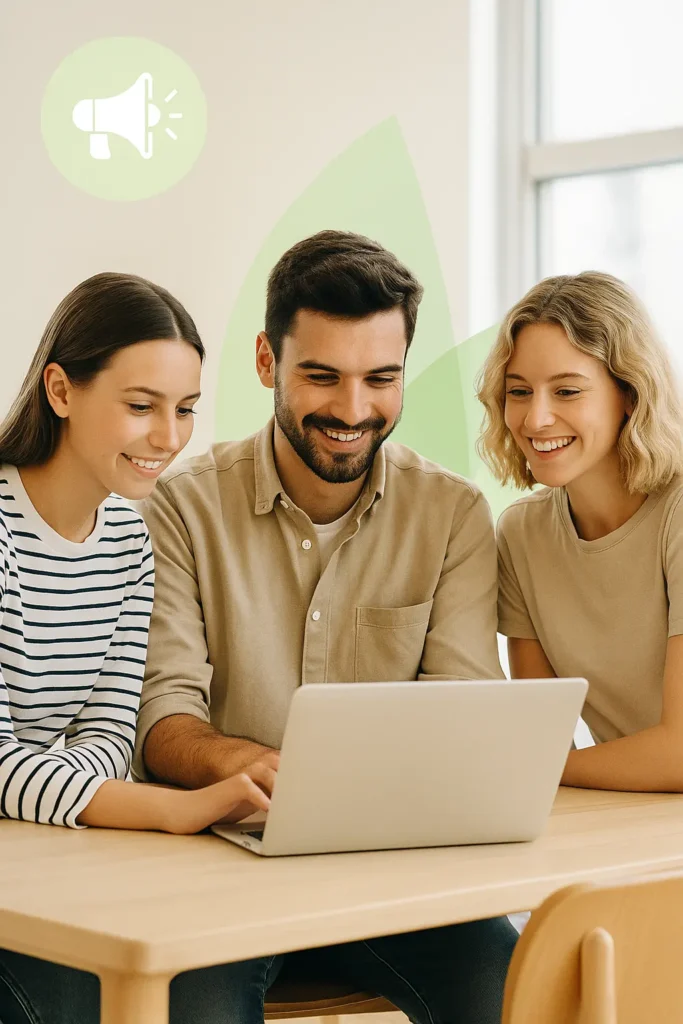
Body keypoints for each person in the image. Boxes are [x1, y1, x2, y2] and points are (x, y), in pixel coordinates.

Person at [135, 230, 518, 1024]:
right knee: (194, 1007)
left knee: (512, 988)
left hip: (395, 877)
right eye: (322, 377)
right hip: (220, 870)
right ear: (267, 363)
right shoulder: (180, 508)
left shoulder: (451, 516)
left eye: (380, 378)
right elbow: (163, 721)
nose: (352, 409)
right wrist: (274, 772)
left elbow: (464, 713)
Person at [0, 273, 282, 1023]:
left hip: (39, 857)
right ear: (60, 391)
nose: (169, 437)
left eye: (185, 409)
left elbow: (109, 732)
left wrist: (69, 797)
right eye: (140, 407)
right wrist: (170, 809)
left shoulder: (127, 537)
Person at [477, 270, 683, 793]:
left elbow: (679, 753)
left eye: (567, 390)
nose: (536, 418)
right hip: (633, 818)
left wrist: (540, 771)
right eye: (518, 391)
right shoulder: (521, 536)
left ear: (630, 395)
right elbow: (542, 736)